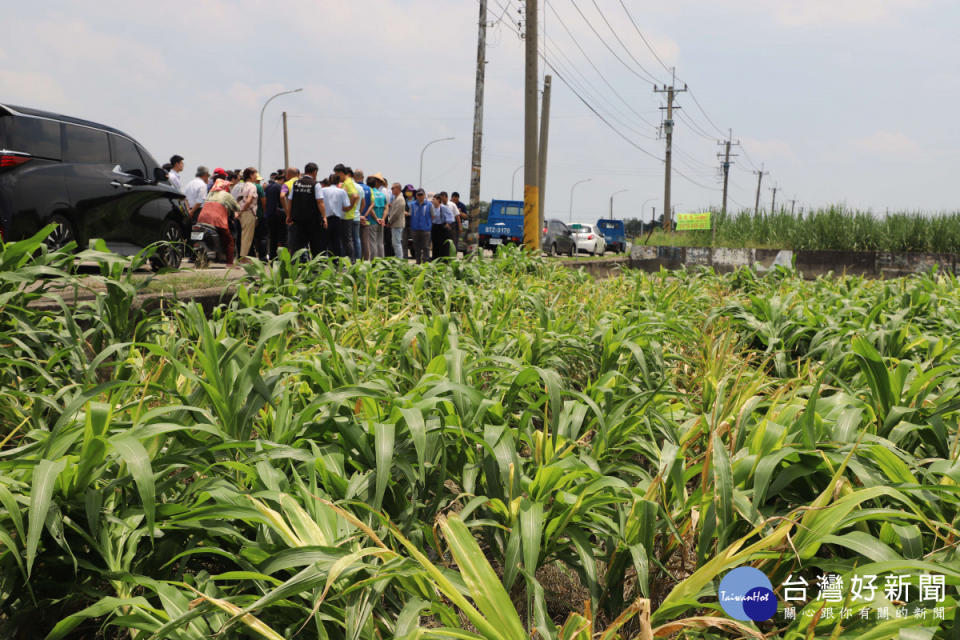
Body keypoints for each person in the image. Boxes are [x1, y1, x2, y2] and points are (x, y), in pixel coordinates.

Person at [286, 162, 326, 259]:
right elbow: (320, 202)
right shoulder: (315, 185)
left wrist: (288, 215)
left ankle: (297, 267)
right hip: (313, 221)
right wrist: (324, 217)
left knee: (298, 246)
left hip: (298, 220)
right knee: (316, 245)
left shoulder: (296, 183)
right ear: (315, 172)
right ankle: (316, 268)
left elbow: (290, 201)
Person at [196, 176, 239, 266]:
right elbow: (237, 208)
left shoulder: (210, 194)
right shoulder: (226, 194)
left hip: (202, 218)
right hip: (216, 219)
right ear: (224, 186)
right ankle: (230, 264)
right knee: (229, 241)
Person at [320, 174, 350, 257]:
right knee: (336, 242)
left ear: (329, 181)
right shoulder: (342, 191)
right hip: (337, 219)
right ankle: (336, 261)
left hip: (325, 218)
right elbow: (346, 206)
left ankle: (322, 262)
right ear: (338, 181)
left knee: (324, 242)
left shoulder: (323, 190)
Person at [334, 164, 360, 260]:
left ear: (341, 173)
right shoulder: (346, 182)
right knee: (346, 240)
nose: (336, 177)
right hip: (346, 215)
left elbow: (355, 196)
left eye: (337, 174)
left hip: (347, 216)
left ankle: (352, 260)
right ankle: (350, 260)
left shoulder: (348, 182)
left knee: (347, 240)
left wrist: (349, 207)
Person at [237, 168, 260, 260]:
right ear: (251, 175)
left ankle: (243, 257)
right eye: (255, 174)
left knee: (242, 236)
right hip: (248, 212)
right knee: (247, 236)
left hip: (242, 213)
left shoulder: (242, 186)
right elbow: (249, 200)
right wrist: (242, 210)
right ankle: (243, 259)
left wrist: (238, 212)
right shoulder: (252, 186)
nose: (256, 176)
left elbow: (238, 199)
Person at [264, 170, 285, 259]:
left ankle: (272, 256)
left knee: (272, 238)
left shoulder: (268, 187)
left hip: (269, 215)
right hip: (278, 215)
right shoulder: (280, 187)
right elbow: (281, 200)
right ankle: (281, 257)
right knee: (282, 238)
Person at [363, 175, 386, 259]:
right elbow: (386, 207)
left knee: (372, 243)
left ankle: (374, 261)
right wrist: (382, 218)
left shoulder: (369, 193)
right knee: (380, 242)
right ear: (376, 183)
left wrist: (376, 218)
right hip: (381, 221)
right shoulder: (382, 194)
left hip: (373, 221)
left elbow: (371, 207)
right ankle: (382, 260)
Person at [409, 188, 433, 264]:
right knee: (416, 247)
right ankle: (418, 261)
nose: (420, 196)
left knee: (426, 247)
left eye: (421, 195)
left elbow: (433, 216)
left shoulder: (429, 205)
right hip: (415, 229)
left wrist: (427, 224)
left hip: (426, 229)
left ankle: (425, 262)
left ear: (424, 195)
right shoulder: (412, 205)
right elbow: (410, 214)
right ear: (416, 195)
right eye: (418, 195)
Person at [385, 182, 406, 259]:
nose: (392, 190)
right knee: (395, 243)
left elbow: (396, 213)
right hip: (395, 224)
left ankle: (399, 259)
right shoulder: (396, 198)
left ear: (398, 189)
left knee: (396, 243)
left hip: (397, 224)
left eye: (393, 188)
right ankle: (398, 258)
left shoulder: (400, 199)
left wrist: (389, 221)